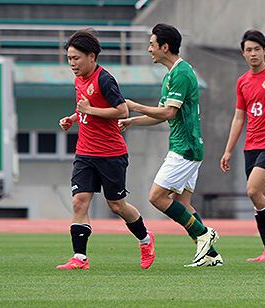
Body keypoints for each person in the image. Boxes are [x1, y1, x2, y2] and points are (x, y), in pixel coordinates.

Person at [118, 23, 221, 267]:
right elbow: (163, 114)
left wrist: (135, 106)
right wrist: (133, 121)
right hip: (187, 146)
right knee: (183, 204)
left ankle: (204, 234)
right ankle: (211, 255)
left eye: (152, 45)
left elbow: (168, 113)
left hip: (184, 148)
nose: (149, 49)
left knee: (157, 197)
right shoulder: (171, 75)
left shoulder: (182, 73)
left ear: (165, 47)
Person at [56, 29, 155, 270]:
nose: (72, 64)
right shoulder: (78, 79)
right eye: (69, 59)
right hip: (85, 152)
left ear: (91, 56)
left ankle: (145, 239)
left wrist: (89, 111)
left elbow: (122, 111)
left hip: (111, 153)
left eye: (76, 58)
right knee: (79, 202)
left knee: (117, 205)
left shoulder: (105, 79)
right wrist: (73, 118)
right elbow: (86, 108)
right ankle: (80, 257)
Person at [220, 30, 265, 262]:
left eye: (257, 49)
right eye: (248, 50)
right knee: (260, 196)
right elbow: (239, 118)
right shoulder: (242, 82)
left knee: (252, 191)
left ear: (264, 50)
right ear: (243, 54)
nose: (253, 54)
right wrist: (228, 150)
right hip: (250, 146)